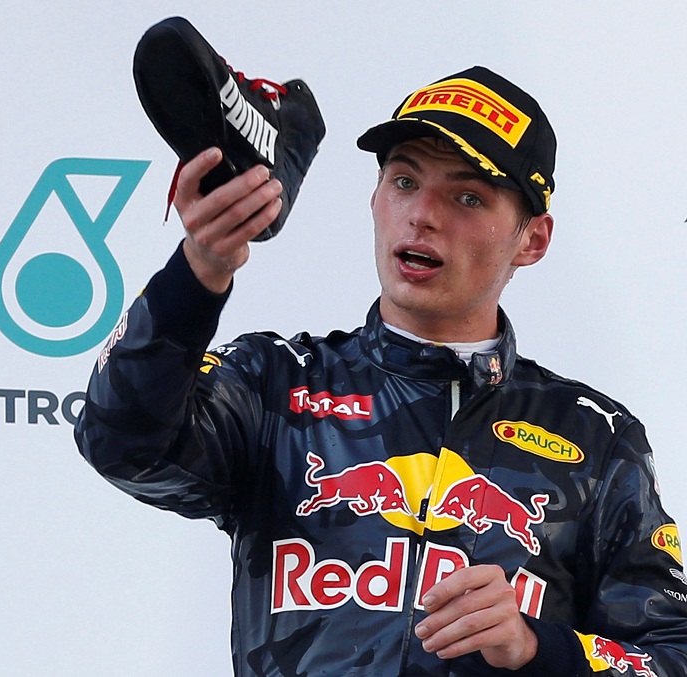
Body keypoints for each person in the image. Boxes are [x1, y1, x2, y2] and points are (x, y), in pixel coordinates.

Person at [75, 66, 687, 676]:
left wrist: (537, 649)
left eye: (468, 196)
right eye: (404, 181)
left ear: (532, 240)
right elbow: (123, 443)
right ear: (373, 200)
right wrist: (200, 271)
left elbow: (672, 656)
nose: (422, 214)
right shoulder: (277, 382)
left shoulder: (597, 440)